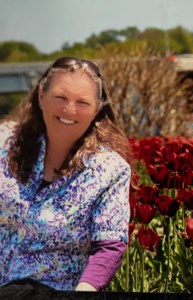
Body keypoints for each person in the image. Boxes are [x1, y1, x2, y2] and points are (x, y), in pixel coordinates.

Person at [0, 57, 134, 292]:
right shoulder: (5, 144)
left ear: (97, 109)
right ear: (41, 96)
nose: (69, 109)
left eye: (82, 102)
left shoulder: (110, 170)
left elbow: (109, 246)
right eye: (60, 98)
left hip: (55, 290)